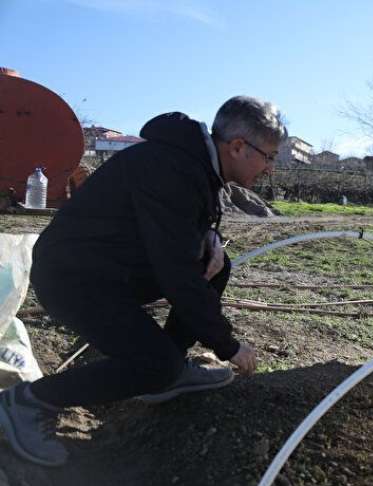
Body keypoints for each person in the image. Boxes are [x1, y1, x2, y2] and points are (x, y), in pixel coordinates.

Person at [0, 96, 287, 467]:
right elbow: (176, 273)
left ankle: (170, 369)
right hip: (73, 279)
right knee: (156, 363)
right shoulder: (174, 169)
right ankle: (30, 401)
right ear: (237, 147)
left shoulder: (194, 165)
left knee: (216, 264)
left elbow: (178, 237)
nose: (269, 168)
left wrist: (209, 238)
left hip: (106, 268)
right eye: (269, 156)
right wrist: (228, 346)